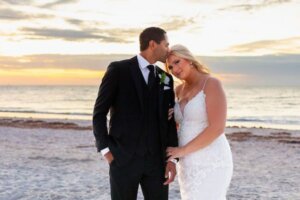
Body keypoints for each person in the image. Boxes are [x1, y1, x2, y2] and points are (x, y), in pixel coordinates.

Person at [92, 27, 178, 200]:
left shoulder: (165, 78)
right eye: (166, 44)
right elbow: (99, 113)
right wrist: (105, 149)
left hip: (156, 162)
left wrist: (171, 160)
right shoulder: (119, 70)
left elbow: (170, 121)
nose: (168, 50)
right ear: (153, 44)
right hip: (122, 158)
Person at [166, 44, 233, 200]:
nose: (175, 69)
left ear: (189, 60)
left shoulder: (211, 84)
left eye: (177, 62)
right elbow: (176, 129)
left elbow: (217, 128)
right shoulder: (178, 91)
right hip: (187, 164)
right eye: (170, 67)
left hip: (212, 160)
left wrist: (181, 151)